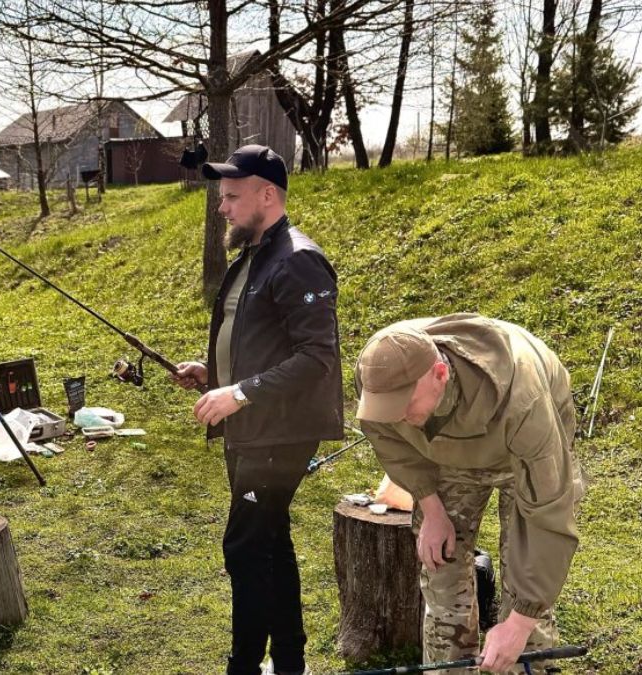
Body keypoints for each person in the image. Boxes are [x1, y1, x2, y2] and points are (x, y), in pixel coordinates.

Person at [170, 145, 344, 675]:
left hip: (278, 434)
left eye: (231, 197)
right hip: (251, 429)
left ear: (267, 195)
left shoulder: (299, 260)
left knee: (245, 548)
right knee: (270, 541)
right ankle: (289, 663)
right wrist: (214, 374)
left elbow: (317, 357)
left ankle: (243, 666)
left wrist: (239, 393)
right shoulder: (255, 256)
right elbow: (264, 343)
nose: (222, 207)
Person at [353, 314, 584, 674]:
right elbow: (389, 441)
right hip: (446, 458)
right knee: (441, 573)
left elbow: (550, 514)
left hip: (522, 452)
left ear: (439, 374)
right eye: (388, 408)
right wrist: (430, 505)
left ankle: (526, 660)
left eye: (405, 405)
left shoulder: (522, 401)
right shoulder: (377, 373)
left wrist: (520, 621)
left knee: (525, 590)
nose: (396, 416)